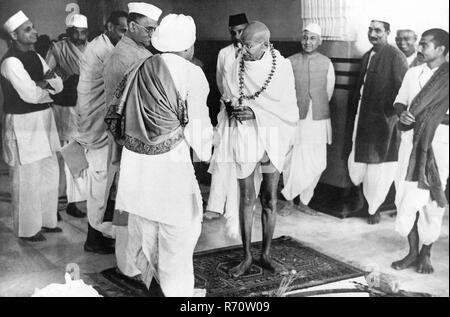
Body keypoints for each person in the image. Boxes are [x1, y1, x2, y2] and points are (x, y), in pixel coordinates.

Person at [105, 14, 213, 296]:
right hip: (170, 165)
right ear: (188, 45)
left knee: (144, 230)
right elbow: (199, 128)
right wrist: (207, 152)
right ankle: (177, 293)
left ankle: (153, 286)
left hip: (135, 164)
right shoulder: (191, 73)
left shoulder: (138, 66)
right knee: (180, 232)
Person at [209, 21, 298, 277]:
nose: (243, 49)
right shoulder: (236, 62)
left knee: (269, 199)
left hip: (272, 134)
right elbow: (227, 94)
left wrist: (255, 112)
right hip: (245, 134)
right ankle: (247, 256)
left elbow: (289, 107)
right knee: (246, 198)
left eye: (248, 44)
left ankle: (266, 255)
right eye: (240, 43)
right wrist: (233, 108)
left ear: (265, 44)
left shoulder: (282, 66)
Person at [103, 1, 162, 279]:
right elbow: (117, 108)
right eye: (149, 29)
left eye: (155, 29)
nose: (153, 33)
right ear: (134, 27)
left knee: (139, 204)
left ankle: (137, 260)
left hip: (141, 140)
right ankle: (128, 266)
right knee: (126, 204)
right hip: (130, 141)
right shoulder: (122, 56)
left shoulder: (140, 51)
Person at [1, 11, 63, 241]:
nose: (34, 32)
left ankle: (47, 221)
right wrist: (47, 86)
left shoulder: (36, 56)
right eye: (28, 29)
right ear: (14, 35)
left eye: (33, 27)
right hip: (24, 122)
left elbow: (58, 84)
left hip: (45, 120)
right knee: (27, 175)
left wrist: (44, 84)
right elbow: (29, 94)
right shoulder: (10, 62)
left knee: (49, 170)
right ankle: (28, 229)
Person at [391, 28, 449, 274]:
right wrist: (401, 112)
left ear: (441, 49)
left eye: (425, 44)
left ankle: (426, 254)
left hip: (439, 145)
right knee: (406, 197)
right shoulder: (413, 73)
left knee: (431, 202)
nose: (420, 48)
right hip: (410, 143)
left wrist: (432, 119)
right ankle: (412, 251)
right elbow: (399, 101)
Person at [75, 10, 128, 254]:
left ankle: (98, 233)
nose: (125, 35)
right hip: (96, 124)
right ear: (108, 27)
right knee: (100, 182)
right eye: (121, 30)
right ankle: (94, 237)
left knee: (106, 183)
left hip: (99, 123)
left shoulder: (106, 46)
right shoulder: (102, 50)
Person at [346, 18, 408, 224]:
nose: (373, 34)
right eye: (370, 29)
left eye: (378, 31)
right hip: (362, 121)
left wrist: (388, 117)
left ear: (387, 33)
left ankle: (374, 209)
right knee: (358, 163)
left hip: (382, 124)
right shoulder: (367, 56)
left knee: (377, 169)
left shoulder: (395, 56)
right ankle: (364, 205)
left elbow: (403, 93)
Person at [281, 23, 335, 216]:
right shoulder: (289, 62)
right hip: (295, 119)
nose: (308, 42)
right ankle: (288, 200)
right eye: (305, 37)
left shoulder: (327, 63)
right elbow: (284, 92)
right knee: (292, 160)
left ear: (319, 41)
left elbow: (328, 91)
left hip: (318, 120)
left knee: (317, 161)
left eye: (312, 38)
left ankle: (304, 201)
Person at [205, 13, 249, 220]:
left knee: (244, 159)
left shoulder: (259, 51)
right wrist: (229, 104)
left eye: (241, 31)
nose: (238, 35)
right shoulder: (224, 53)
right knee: (222, 157)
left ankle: (241, 205)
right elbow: (220, 82)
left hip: (249, 117)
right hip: (228, 113)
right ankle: (215, 206)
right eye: (234, 32)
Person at [45, 14, 89, 218]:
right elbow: (45, 74)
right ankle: (58, 199)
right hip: (65, 106)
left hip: (86, 107)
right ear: (69, 31)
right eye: (76, 32)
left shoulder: (92, 48)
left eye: (83, 32)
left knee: (79, 154)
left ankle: (74, 200)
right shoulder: (58, 49)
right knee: (64, 152)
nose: (80, 36)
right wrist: (63, 80)